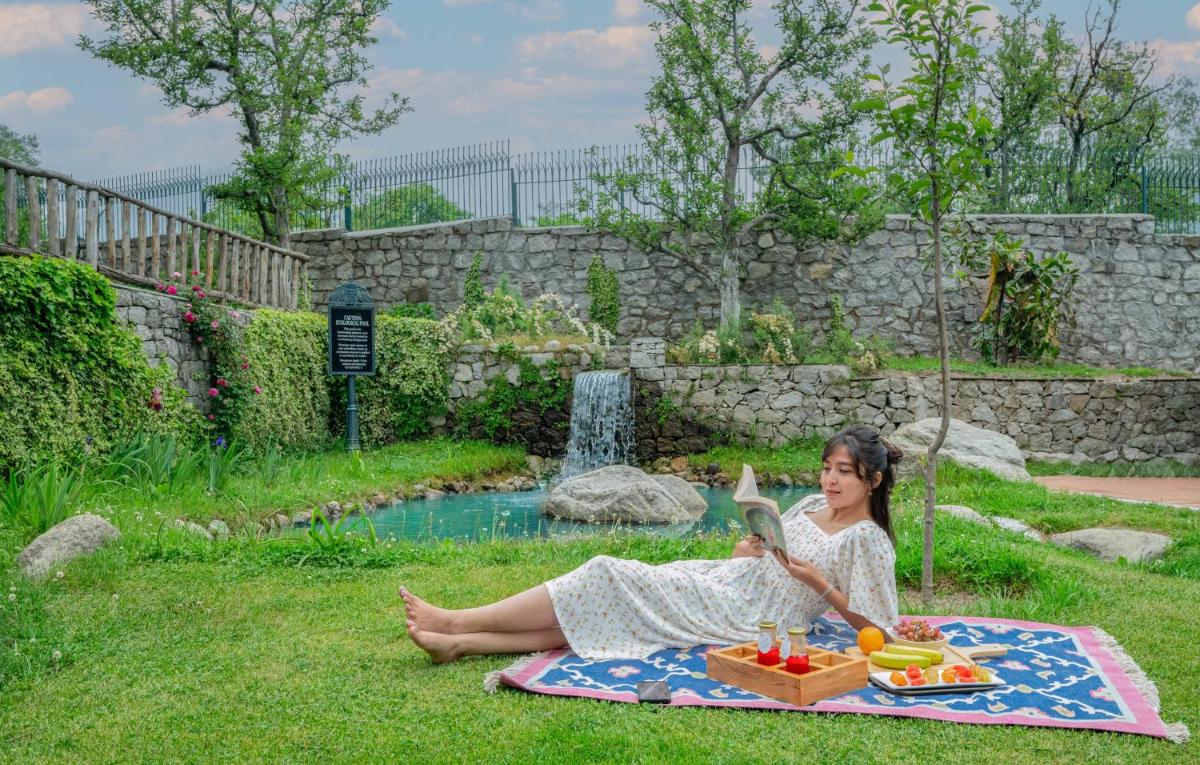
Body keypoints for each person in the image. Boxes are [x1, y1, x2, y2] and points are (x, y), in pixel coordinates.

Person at [402, 424, 902, 663]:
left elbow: (879, 626)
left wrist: (819, 585)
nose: (830, 480)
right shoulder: (813, 501)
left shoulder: (868, 539)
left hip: (757, 615)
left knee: (605, 572)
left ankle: (457, 620)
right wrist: (750, 548)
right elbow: (779, 547)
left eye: (844, 473)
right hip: (730, 578)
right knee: (615, 605)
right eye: (827, 468)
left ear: (873, 481)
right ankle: (461, 644)